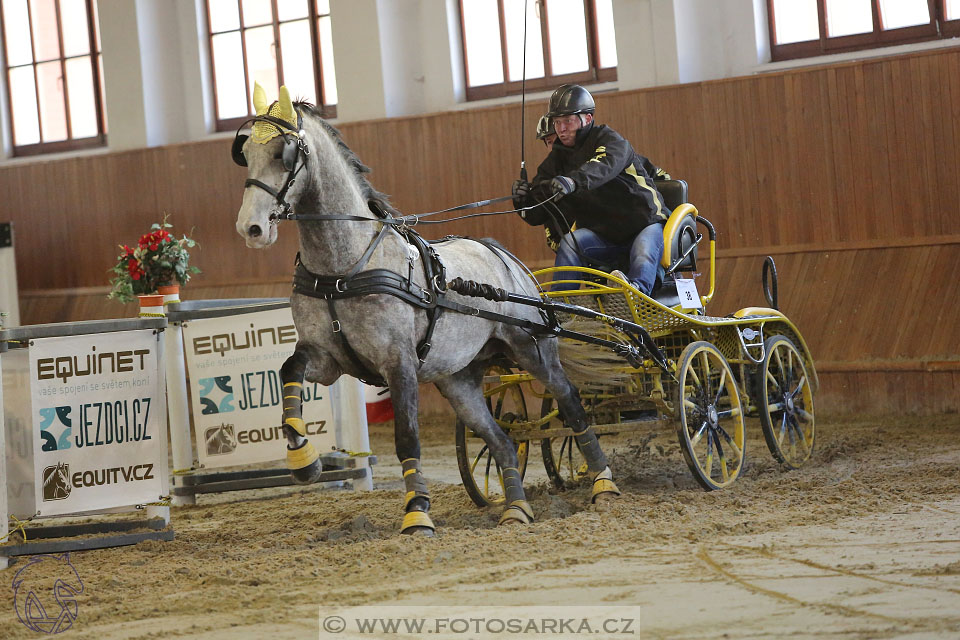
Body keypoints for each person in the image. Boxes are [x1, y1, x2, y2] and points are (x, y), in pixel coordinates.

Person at [513, 84, 671, 294]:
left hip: (644, 223)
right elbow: (539, 211)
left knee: (643, 252)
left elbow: (603, 167)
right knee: (570, 243)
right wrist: (523, 201)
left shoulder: (611, 141)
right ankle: (560, 305)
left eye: (567, 121)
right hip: (605, 236)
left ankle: (634, 295)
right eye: (557, 122)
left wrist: (572, 182)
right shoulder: (555, 161)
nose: (561, 129)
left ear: (587, 118)